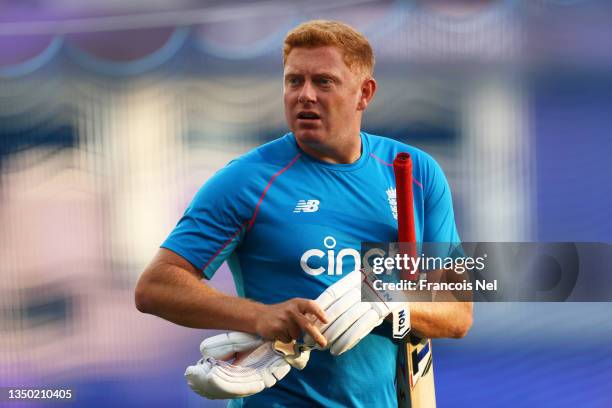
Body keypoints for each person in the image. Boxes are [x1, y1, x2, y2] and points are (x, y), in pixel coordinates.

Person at [135, 19, 472, 407]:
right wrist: (258, 316)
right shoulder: (246, 180)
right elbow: (156, 286)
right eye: (294, 81)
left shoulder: (417, 173)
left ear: (364, 93)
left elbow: (458, 313)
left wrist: (391, 305)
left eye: (323, 82)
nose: (305, 95)